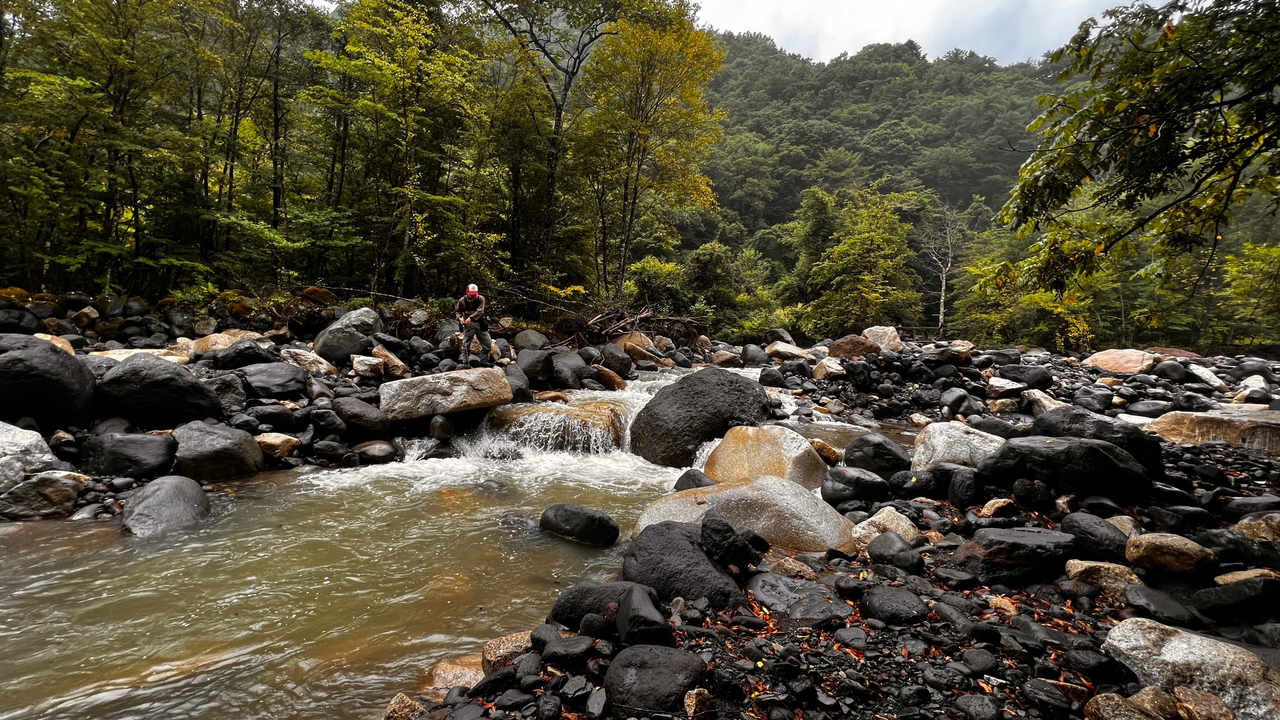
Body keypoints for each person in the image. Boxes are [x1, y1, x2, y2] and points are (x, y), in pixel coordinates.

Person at [455, 283, 493, 364]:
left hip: (481, 323)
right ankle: (465, 362)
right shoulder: (462, 300)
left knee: (487, 342)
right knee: (466, 344)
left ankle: (484, 360)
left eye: (475, 294)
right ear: (467, 292)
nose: (473, 296)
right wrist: (459, 318)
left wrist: (471, 318)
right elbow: (457, 311)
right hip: (468, 325)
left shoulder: (481, 299)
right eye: (472, 294)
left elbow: (480, 311)